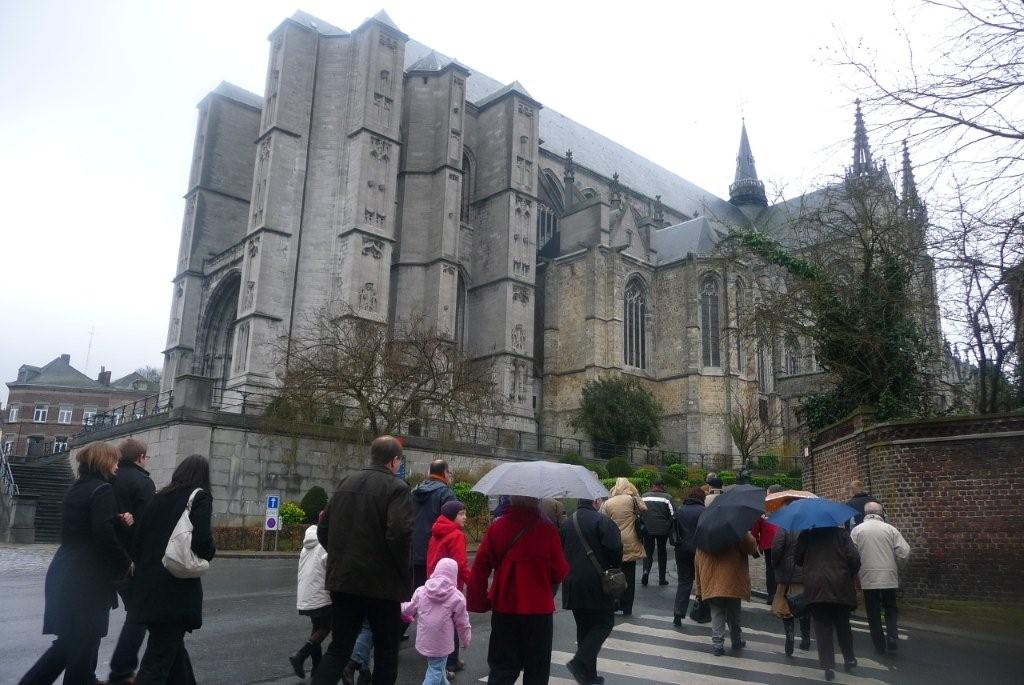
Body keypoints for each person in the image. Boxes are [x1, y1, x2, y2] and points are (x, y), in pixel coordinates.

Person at [19, 441, 132, 685]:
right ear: (104, 462)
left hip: (66, 568)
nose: (117, 466)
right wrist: (126, 562)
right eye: (114, 461)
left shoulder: (77, 487)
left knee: (71, 641)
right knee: (84, 639)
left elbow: (85, 526)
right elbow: (102, 534)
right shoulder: (102, 490)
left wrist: (116, 521)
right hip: (87, 575)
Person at [313, 436, 413, 685]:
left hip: (344, 580)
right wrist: (402, 571)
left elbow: (323, 529)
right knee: (386, 651)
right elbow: (399, 534)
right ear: (394, 461)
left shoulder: (346, 482)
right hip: (382, 585)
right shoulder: (397, 488)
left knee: (339, 648)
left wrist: (341, 557)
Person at [130, 454, 216, 684]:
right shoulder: (200, 497)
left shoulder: (158, 497)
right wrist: (210, 553)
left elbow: (137, 541)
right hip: (174, 590)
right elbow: (201, 542)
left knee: (172, 652)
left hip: (148, 588)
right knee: (156, 662)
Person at [467, 495, 568, 685]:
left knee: (502, 668)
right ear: (536, 501)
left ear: (511, 500)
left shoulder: (497, 527)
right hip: (538, 609)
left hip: (505, 606)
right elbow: (559, 571)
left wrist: (481, 601)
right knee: (537, 670)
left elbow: (480, 568)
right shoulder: (547, 530)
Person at [107, 437, 156, 685]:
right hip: (132, 560)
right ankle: (121, 670)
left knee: (94, 619)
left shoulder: (110, 478)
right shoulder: (143, 482)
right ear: (140, 458)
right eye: (145, 457)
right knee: (138, 614)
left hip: (107, 556)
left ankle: (86, 671)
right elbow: (148, 525)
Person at [560, 496, 622, 685]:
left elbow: (561, 548)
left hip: (572, 581)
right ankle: (580, 662)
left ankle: (589, 677)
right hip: (596, 582)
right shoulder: (602, 521)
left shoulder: (568, 522)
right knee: (605, 622)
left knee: (584, 628)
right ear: (595, 500)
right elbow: (616, 549)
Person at [797, 525, 862, 681]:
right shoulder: (841, 534)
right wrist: (849, 573)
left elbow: (798, 559)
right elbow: (854, 558)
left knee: (822, 626)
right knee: (843, 624)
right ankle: (849, 658)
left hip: (815, 585)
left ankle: (828, 666)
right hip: (840, 584)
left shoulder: (806, 534)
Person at [850, 501, 910, 653]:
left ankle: (879, 644)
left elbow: (851, 555)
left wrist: (855, 573)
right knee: (890, 608)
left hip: (868, 578)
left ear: (865, 514)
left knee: (873, 611)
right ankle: (892, 636)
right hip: (888, 576)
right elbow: (904, 552)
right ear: (881, 513)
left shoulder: (857, 531)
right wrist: (897, 567)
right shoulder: (890, 529)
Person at [401, 558, 472, 685]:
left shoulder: (421, 591)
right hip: (442, 643)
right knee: (435, 670)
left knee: (437, 668)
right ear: (454, 575)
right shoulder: (456, 597)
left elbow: (410, 608)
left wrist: (400, 608)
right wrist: (466, 639)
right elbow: (462, 623)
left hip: (425, 640)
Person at [694, 531, 757, 656]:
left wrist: (699, 589)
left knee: (717, 612)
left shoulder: (705, 532)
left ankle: (717, 644)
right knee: (734, 612)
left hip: (712, 580)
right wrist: (746, 533)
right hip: (732, 578)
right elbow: (751, 547)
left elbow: (697, 560)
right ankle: (736, 640)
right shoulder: (736, 529)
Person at [427, 500, 470, 679]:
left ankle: (453, 660)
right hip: (451, 585)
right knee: (453, 621)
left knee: (443, 622)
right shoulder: (456, 535)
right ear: (453, 516)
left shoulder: (436, 531)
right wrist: (473, 580)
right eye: (461, 514)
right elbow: (460, 563)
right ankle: (450, 662)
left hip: (434, 581)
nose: (465, 517)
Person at [290, 513, 332, 678]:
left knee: (317, 627)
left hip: (307, 593)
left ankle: (316, 667)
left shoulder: (307, 543)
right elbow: (331, 567)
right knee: (326, 627)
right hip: (320, 593)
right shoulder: (324, 544)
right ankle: (300, 655)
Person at [599, 479, 647, 615]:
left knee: (614, 572)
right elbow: (644, 508)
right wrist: (635, 494)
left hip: (614, 541)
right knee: (630, 576)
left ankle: (615, 600)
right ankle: (627, 607)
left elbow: (602, 518)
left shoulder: (608, 502)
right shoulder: (631, 499)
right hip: (631, 540)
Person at [412, 460, 457, 588]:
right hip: (436, 553)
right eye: (449, 473)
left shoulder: (415, 491)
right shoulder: (446, 493)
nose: (450, 476)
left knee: (418, 592)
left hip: (414, 550)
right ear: (444, 472)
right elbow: (453, 524)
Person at [771, 523, 811, 655]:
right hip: (807, 574)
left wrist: (775, 565)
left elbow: (776, 549)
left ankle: (790, 636)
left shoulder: (785, 528)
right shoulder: (811, 528)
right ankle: (805, 639)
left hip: (788, 576)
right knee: (804, 607)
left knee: (786, 607)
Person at [671, 487, 705, 626]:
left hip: (682, 549)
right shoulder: (704, 511)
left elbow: (673, 529)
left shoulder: (680, 510)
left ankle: (678, 612)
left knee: (684, 582)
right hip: (699, 550)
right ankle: (701, 613)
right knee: (701, 582)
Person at [752, 484, 783, 603]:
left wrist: (757, 542)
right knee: (779, 567)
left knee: (770, 569)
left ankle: (772, 595)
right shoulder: (785, 506)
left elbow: (756, 527)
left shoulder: (764, 507)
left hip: (769, 543)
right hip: (780, 541)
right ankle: (779, 594)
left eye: (768, 493)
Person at [640, 479, 674, 586]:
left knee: (648, 552)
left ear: (653, 485)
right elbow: (673, 514)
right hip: (662, 529)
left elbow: (639, 511)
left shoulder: (644, 496)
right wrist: (668, 525)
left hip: (647, 528)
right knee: (662, 552)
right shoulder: (667, 497)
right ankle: (662, 579)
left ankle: (645, 572)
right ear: (662, 486)